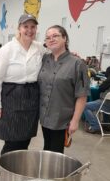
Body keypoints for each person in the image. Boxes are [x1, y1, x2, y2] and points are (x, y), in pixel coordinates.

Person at [0, 14, 45, 155]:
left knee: (26, 138)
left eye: (33, 27)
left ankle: (18, 167)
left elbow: (55, 55)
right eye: (26, 27)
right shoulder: (6, 50)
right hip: (11, 96)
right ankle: (6, 170)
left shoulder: (39, 48)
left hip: (31, 97)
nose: (29, 30)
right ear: (19, 28)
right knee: (12, 140)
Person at [38, 25, 90, 153]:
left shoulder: (77, 64)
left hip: (62, 119)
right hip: (44, 116)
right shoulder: (44, 59)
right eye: (48, 37)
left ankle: (54, 173)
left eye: (55, 36)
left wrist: (75, 121)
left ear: (65, 38)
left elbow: (82, 95)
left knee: (56, 153)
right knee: (46, 149)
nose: (51, 39)